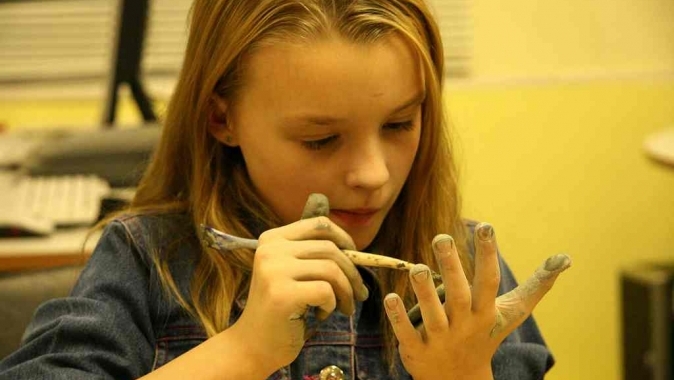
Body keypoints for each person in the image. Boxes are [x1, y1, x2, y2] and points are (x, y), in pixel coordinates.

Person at [0, 0, 571, 379]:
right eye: (321, 139)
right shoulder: (146, 262)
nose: (372, 174)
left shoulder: (467, 279)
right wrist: (244, 351)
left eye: (400, 124)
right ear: (221, 119)